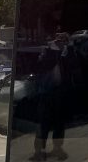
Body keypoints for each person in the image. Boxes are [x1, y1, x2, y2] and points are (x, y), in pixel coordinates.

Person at [32, 32, 74, 161]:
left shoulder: (67, 53)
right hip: (46, 92)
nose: (60, 43)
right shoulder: (48, 51)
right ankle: (39, 151)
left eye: (63, 40)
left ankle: (57, 148)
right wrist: (55, 51)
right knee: (43, 123)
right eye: (59, 40)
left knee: (59, 123)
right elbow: (42, 65)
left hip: (60, 92)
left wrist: (66, 49)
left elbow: (73, 66)